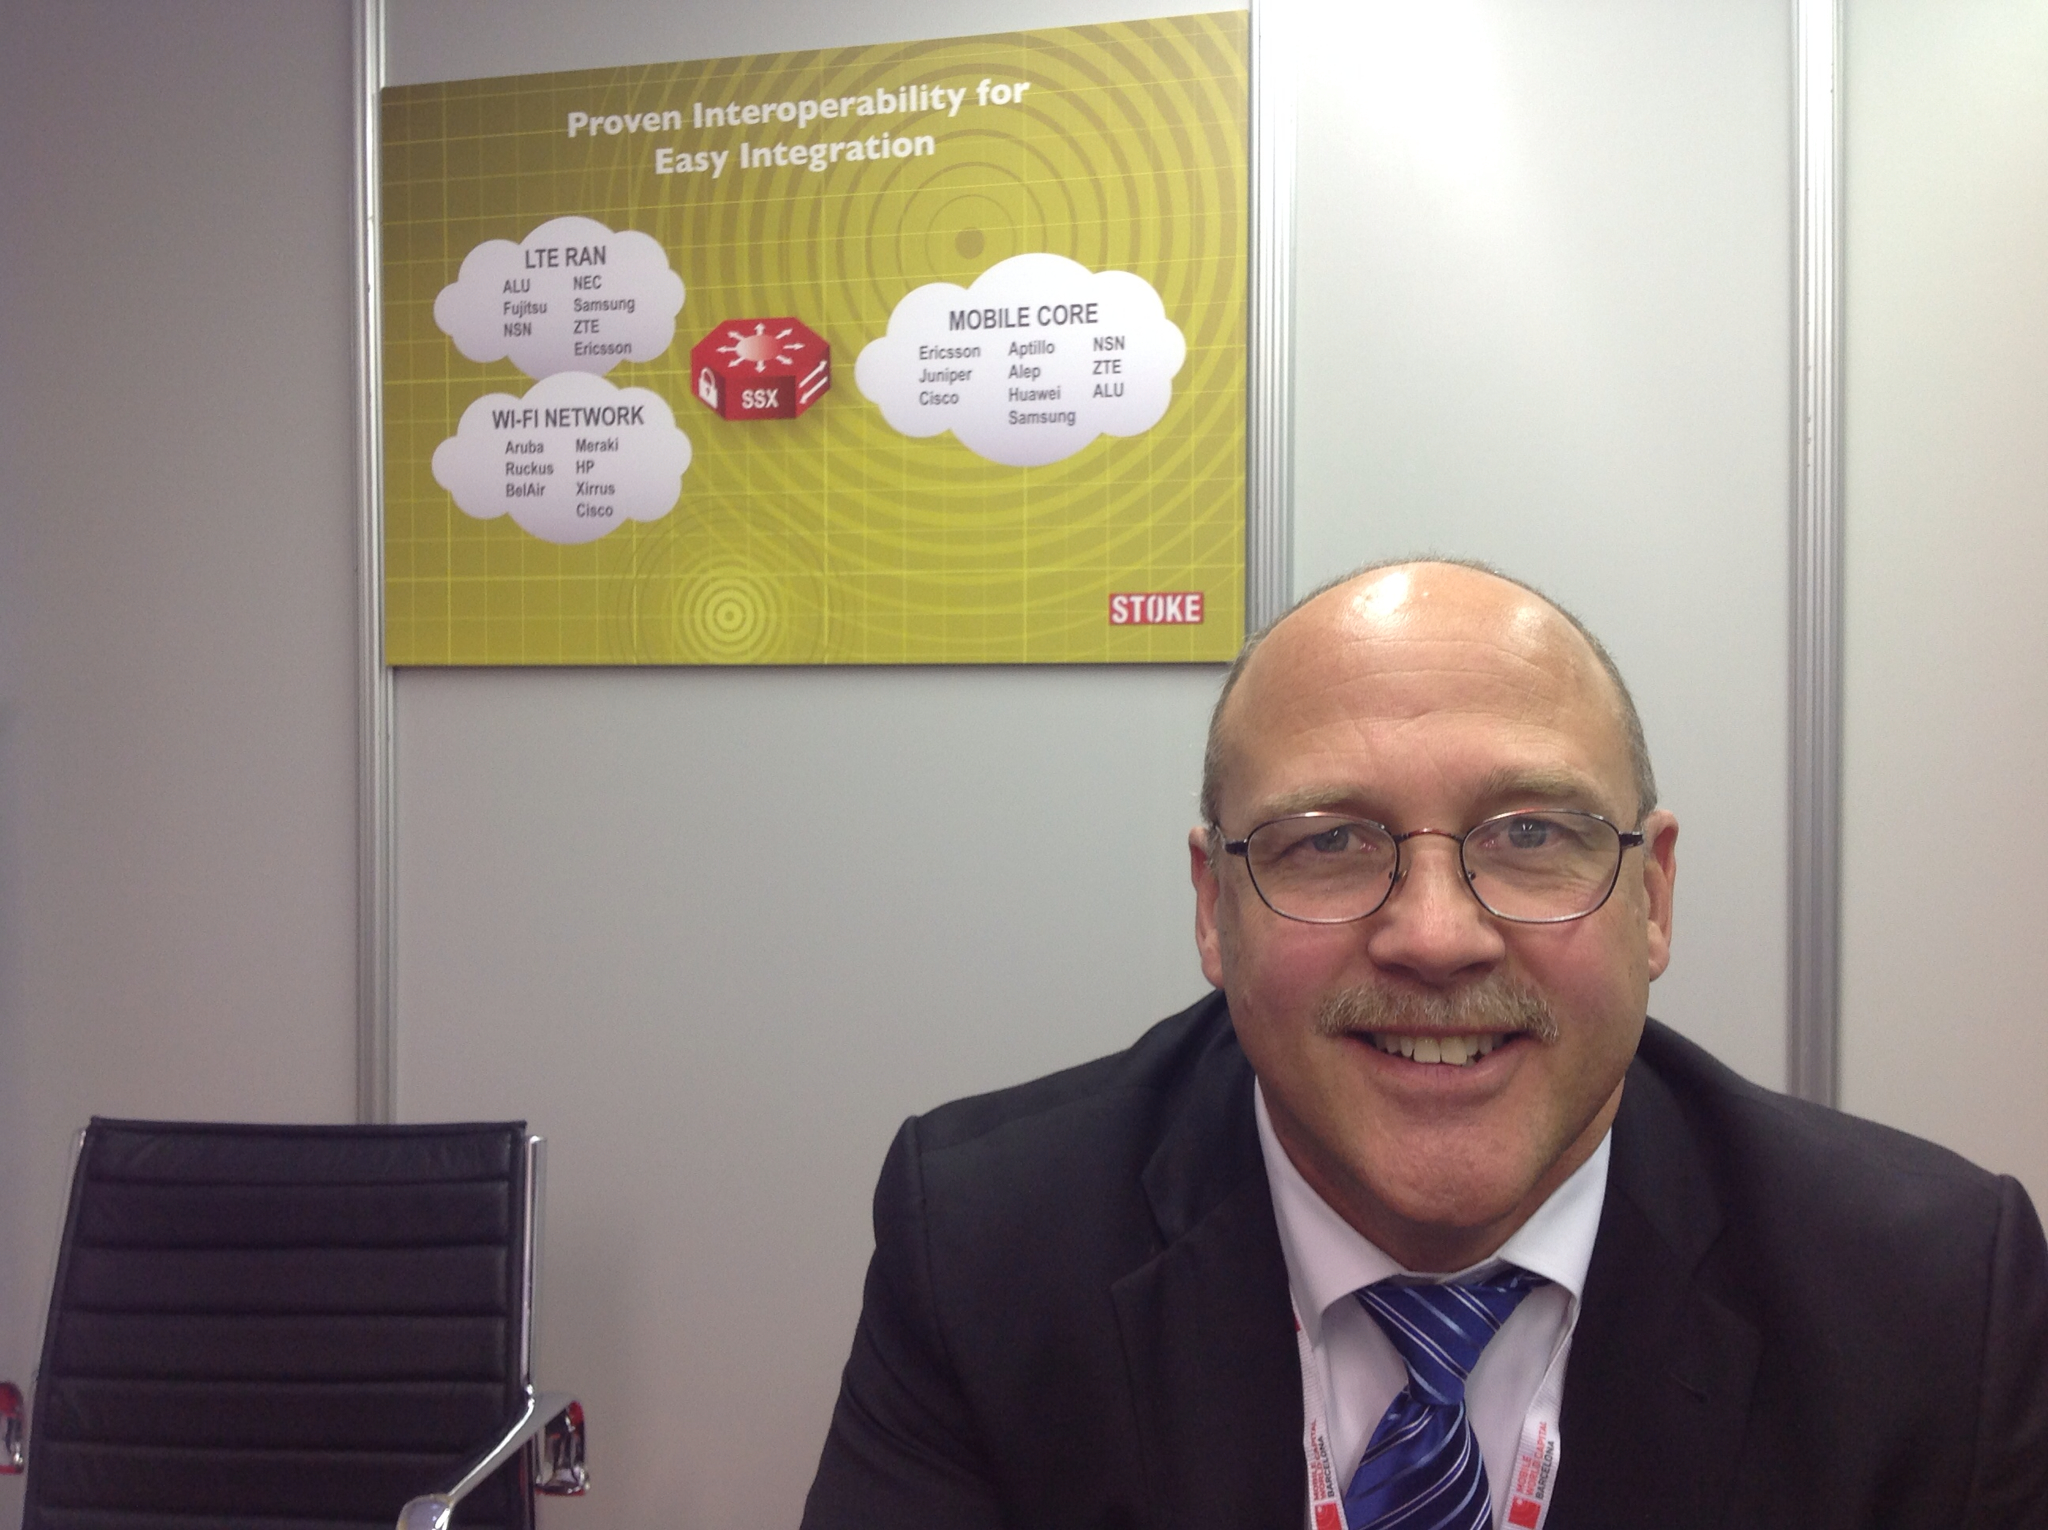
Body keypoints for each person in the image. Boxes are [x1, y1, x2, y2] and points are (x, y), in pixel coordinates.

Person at [800, 561, 2048, 1530]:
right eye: (1328, 842)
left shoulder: (1932, 1299)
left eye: (1530, 833)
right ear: (1212, 909)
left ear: (1652, 898)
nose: (1437, 938)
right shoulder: (986, 1245)